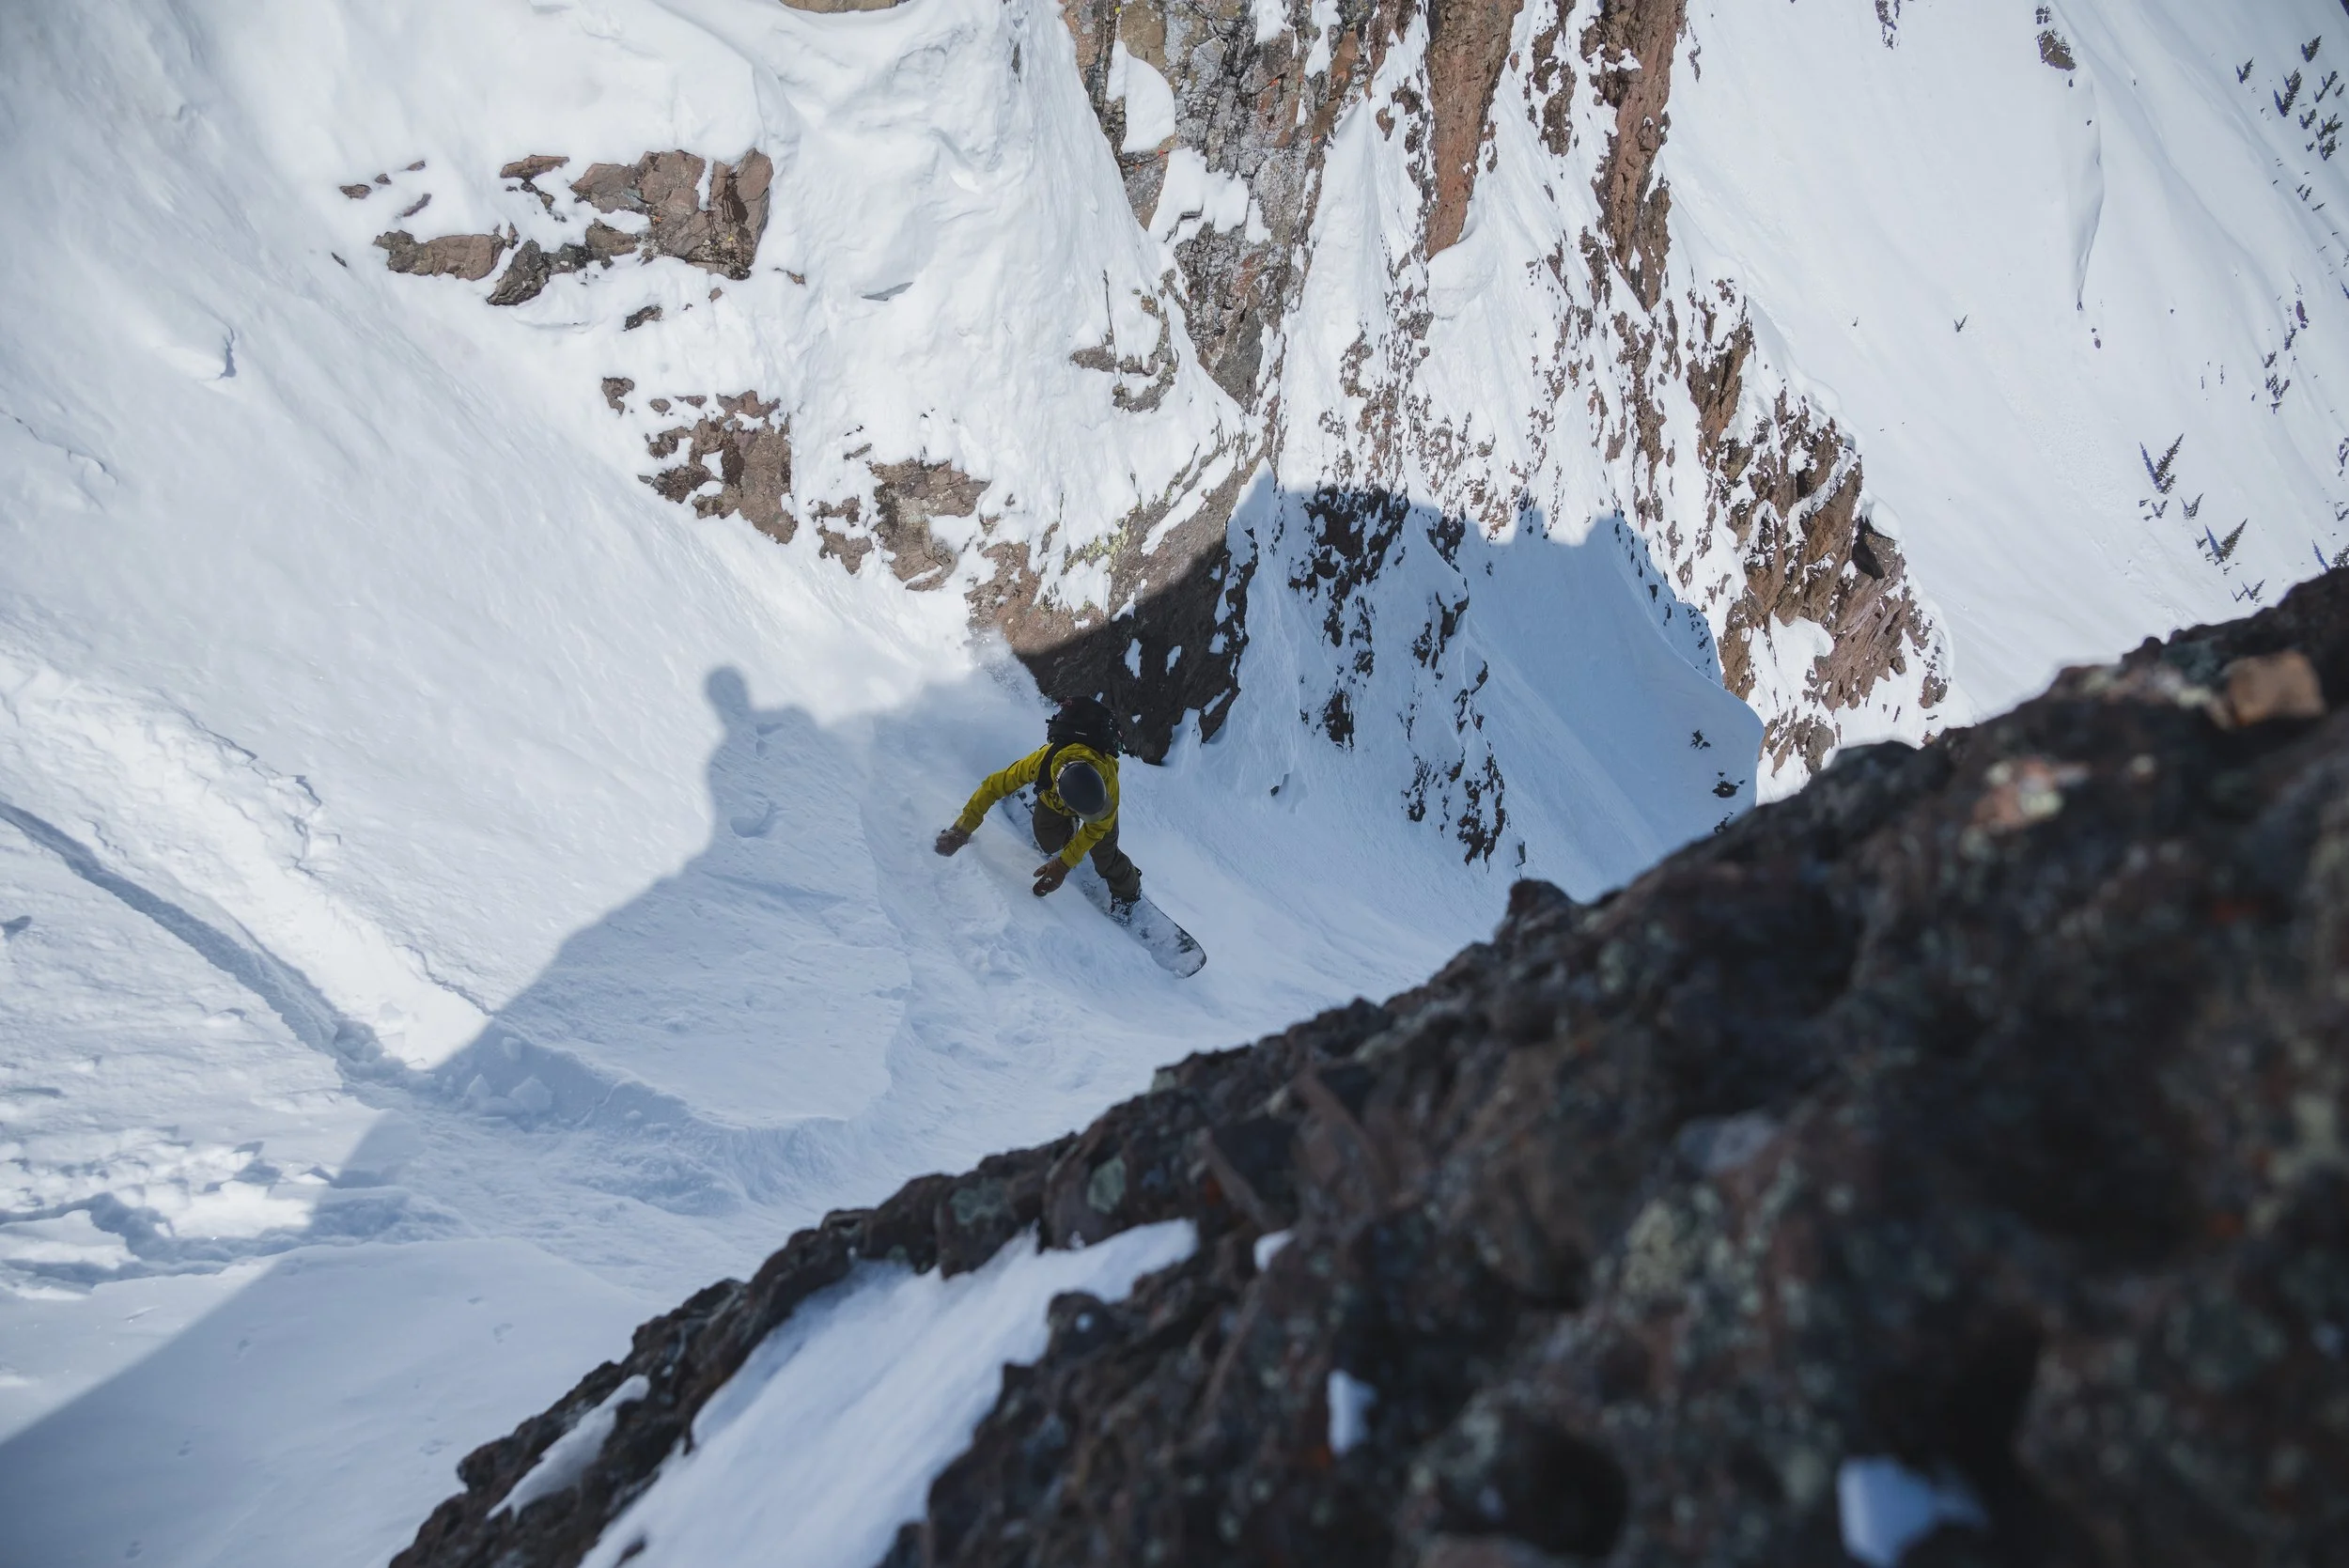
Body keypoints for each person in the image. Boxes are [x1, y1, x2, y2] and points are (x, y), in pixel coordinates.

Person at [934, 698, 1142, 910]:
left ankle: (1129, 893)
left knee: (1105, 858)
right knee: (1048, 843)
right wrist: (961, 830)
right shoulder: (1042, 763)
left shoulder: (1107, 788)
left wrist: (1062, 865)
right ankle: (1069, 827)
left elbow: (1096, 828)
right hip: (1054, 800)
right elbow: (993, 786)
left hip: (1093, 808)